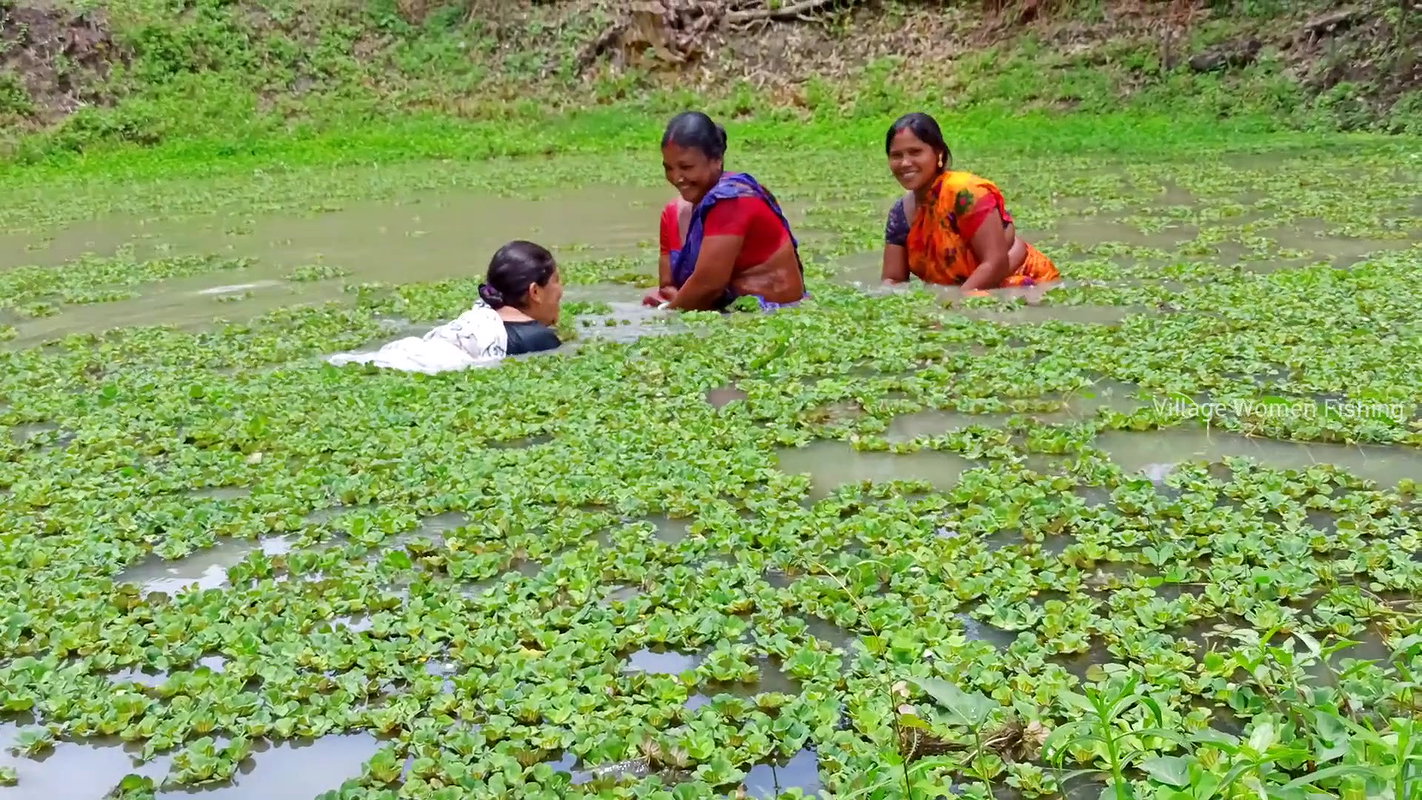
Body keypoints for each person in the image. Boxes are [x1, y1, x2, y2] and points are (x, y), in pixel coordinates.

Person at [643, 111, 806, 311]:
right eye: (669, 168)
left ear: (716, 160)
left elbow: (708, 286)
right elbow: (667, 286)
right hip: (720, 311)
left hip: (768, 313)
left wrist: (664, 318)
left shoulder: (734, 200)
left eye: (686, 167)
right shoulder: (672, 213)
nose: (677, 178)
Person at [881, 112, 1060, 291]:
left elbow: (995, 262)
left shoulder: (966, 193)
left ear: (939, 154)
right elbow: (893, 279)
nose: (905, 163)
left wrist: (955, 301)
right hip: (966, 293)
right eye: (896, 155)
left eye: (915, 152)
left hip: (1028, 284)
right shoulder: (900, 214)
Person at [327, 240, 563, 374]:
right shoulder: (539, 339)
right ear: (535, 292)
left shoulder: (478, 317)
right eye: (556, 281)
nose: (561, 290)